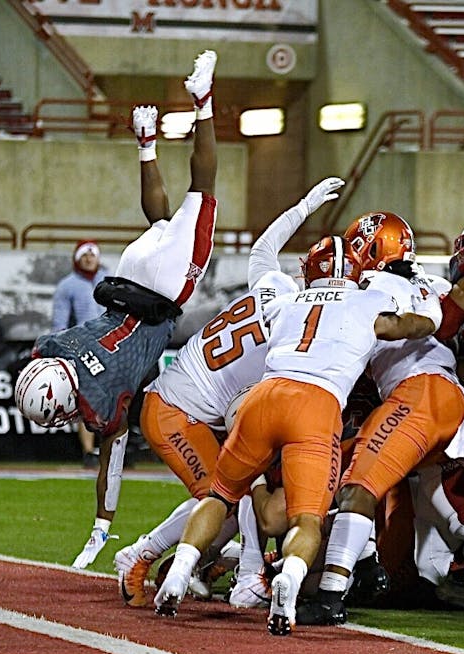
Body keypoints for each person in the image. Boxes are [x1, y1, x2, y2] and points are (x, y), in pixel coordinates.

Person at [153, 235, 433, 636]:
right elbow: (411, 325)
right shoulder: (368, 300)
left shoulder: (286, 301)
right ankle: (291, 580)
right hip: (316, 406)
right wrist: (426, 305)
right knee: (307, 519)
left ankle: (180, 571)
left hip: (264, 396)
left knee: (219, 495)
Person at [14, 50, 219, 569]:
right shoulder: (53, 349)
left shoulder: (101, 397)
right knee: (160, 223)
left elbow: (113, 462)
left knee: (203, 192)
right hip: (129, 274)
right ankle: (146, 141)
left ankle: (203, 98)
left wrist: (103, 525)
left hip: (161, 290)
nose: (68, 418)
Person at [112, 178, 342, 606]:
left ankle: (222, 563)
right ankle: (145, 555)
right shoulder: (300, 328)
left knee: (230, 495)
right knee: (225, 497)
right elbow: (242, 411)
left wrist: (304, 207)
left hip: (184, 400)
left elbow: (262, 251)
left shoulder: (276, 286)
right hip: (178, 409)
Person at [298, 211, 464, 626]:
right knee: (447, 503)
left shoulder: (374, 285)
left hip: (420, 394)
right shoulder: (427, 283)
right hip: (447, 395)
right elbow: (450, 316)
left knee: (356, 485)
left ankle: (331, 595)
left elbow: (392, 329)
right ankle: (384, 570)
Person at [52, 239, 110, 467]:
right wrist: (63, 347)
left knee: (113, 401)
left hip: (110, 346)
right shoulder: (67, 286)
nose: (88, 259)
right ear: (77, 258)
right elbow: (60, 322)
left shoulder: (108, 280)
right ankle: (88, 451)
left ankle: (109, 450)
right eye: (84, 255)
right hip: (83, 347)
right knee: (86, 400)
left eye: (92, 255)